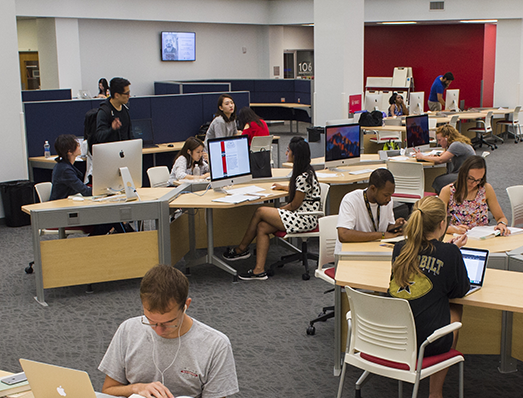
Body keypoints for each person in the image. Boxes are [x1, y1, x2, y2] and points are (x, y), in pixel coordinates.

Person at [99, 265, 239, 398]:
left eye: (169, 322)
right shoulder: (128, 329)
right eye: (150, 321)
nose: (159, 330)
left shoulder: (216, 345)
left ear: (186, 306)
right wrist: (136, 388)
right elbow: (108, 390)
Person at [388, 196, 469, 398]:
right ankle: (435, 392)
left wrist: (449, 251)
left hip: (394, 336)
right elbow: (459, 290)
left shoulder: (400, 248)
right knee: (454, 308)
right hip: (425, 343)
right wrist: (453, 253)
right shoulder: (450, 253)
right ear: (442, 224)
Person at [222, 137, 321, 280]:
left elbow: (294, 205)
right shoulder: (305, 172)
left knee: (261, 211)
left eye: (288, 151)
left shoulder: (303, 176)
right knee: (262, 227)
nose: (286, 153)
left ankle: (241, 249)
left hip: (304, 218)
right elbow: (301, 192)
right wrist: (284, 187)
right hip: (300, 214)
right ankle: (259, 270)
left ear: (296, 155)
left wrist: (279, 210)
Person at [438, 157, 508, 236]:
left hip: (481, 239)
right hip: (456, 240)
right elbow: (436, 225)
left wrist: (501, 224)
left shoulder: (486, 189)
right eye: (470, 179)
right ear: (463, 174)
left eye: (478, 180)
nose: (474, 183)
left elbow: (501, 218)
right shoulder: (448, 191)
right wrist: (453, 229)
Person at [337, 168, 405, 243]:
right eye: (386, 195)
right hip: (352, 252)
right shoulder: (351, 200)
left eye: (391, 195)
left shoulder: (387, 202)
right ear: (373, 188)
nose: (389, 199)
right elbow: (343, 235)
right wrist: (381, 235)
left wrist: (395, 227)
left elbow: (386, 227)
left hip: (376, 248)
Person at [48, 134, 90, 200]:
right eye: (77, 145)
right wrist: (103, 190)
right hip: (61, 205)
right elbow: (85, 191)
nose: (79, 147)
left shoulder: (63, 165)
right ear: (69, 151)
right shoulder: (66, 170)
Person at [93, 77, 132, 145]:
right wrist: (112, 129)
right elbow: (100, 136)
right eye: (126, 93)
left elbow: (129, 133)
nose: (129, 96)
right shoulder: (104, 111)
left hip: (125, 150)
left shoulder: (125, 109)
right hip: (110, 152)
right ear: (116, 95)